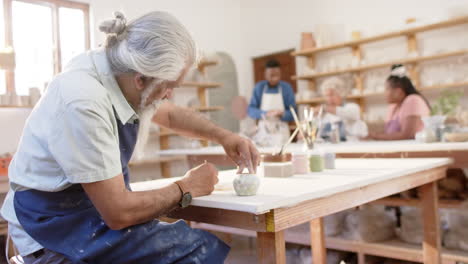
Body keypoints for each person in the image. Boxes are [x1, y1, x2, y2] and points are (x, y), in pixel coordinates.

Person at [1, 11, 260, 263]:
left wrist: (224, 136)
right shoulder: (83, 100)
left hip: (91, 210)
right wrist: (186, 187)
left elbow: (170, 116)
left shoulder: (118, 70)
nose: (168, 95)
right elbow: (118, 212)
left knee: (190, 241)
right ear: (140, 80)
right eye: (168, 87)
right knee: (194, 250)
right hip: (49, 224)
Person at [368, 64, 431, 140]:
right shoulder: (394, 106)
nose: (385, 93)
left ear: (399, 91)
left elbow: (407, 135)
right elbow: (388, 133)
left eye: (387, 89)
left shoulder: (413, 100)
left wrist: (374, 136)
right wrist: (371, 135)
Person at [247, 59, 297, 144]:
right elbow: (250, 110)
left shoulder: (286, 88)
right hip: (263, 131)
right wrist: (266, 113)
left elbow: (294, 113)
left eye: (277, 75)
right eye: (271, 75)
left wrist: (282, 114)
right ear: (265, 75)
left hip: (282, 130)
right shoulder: (259, 87)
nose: (274, 78)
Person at [319, 77, 368, 141]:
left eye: (332, 95)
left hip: (352, 146)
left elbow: (344, 113)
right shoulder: (326, 115)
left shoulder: (352, 107)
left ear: (341, 94)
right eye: (326, 96)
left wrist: (324, 108)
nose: (329, 99)